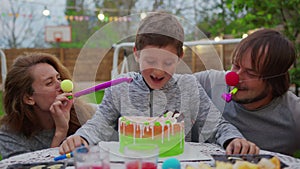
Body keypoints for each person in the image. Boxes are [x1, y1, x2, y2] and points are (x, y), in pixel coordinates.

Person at [59, 12, 259, 155]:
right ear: (137, 54)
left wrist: (234, 139)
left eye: (168, 62)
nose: (158, 70)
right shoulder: (121, 88)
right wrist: (82, 137)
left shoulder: (189, 87)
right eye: (151, 61)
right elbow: (99, 123)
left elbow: (217, 126)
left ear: (180, 56)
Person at [194, 29, 300, 156]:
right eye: (236, 66)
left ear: (273, 80)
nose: (236, 77)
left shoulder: (294, 114)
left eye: (250, 73)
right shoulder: (208, 84)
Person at [0, 52, 94, 159]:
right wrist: (61, 131)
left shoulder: (87, 114)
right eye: (49, 83)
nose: (61, 86)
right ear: (28, 98)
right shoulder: (9, 136)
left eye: (59, 78)